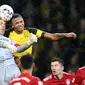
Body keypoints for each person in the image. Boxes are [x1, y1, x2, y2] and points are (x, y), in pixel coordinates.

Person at [4, 13, 77, 59]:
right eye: (17, 23)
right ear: (12, 25)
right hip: (11, 64)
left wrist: (66, 34)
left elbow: (52, 36)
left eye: (21, 22)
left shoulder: (31, 31)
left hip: (26, 64)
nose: (20, 24)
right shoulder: (7, 34)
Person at [0, 18, 37, 85]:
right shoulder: (7, 43)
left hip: (13, 67)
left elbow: (18, 48)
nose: (3, 26)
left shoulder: (8, 40)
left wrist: (29, 42)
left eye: (4, 24)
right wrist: (7, 46)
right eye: (1, 24)